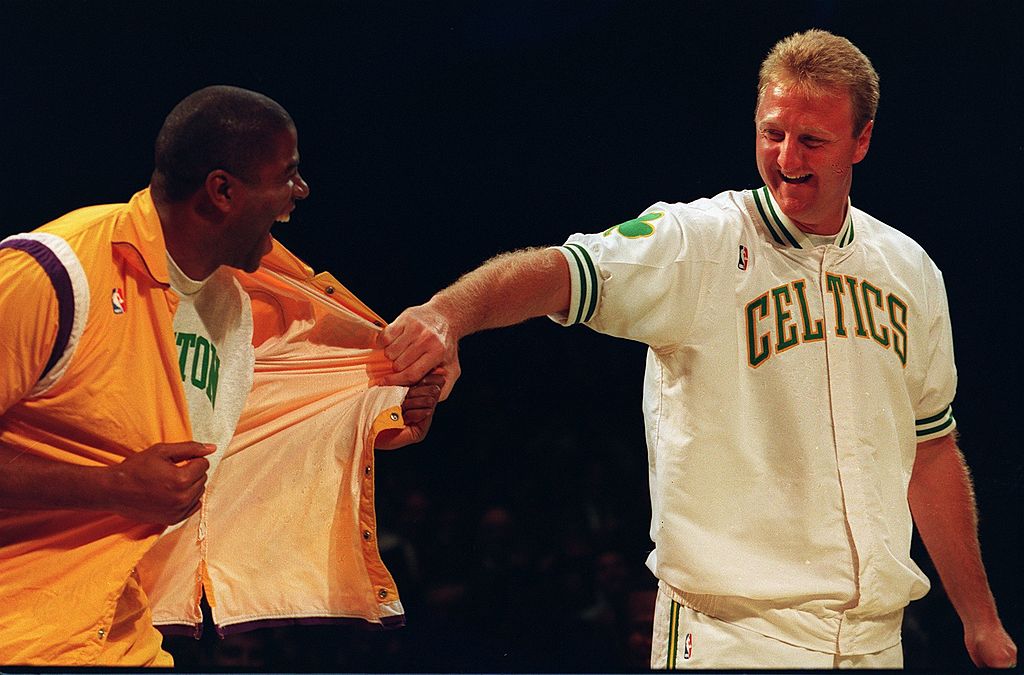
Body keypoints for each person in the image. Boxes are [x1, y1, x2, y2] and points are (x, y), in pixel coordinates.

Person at [379, 30, 1017, 669]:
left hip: (876, 643)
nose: (787, 156)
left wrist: (980, 618)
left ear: (862, 140)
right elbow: (560, 271)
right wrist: (448, 314)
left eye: (812, 140)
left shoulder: (910, 271)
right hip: (733, 639)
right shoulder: (699, 241)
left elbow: (931, 451)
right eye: (773, 133)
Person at [0, 86, 442, 666]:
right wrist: (109, 488)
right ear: (222, 190)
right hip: (20, 633)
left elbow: (258, 420)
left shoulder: (228, 304)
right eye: (287, 174)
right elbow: (127, 476)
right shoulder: (51, 275)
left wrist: (383, 397)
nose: (300, 193)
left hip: (116, 632)